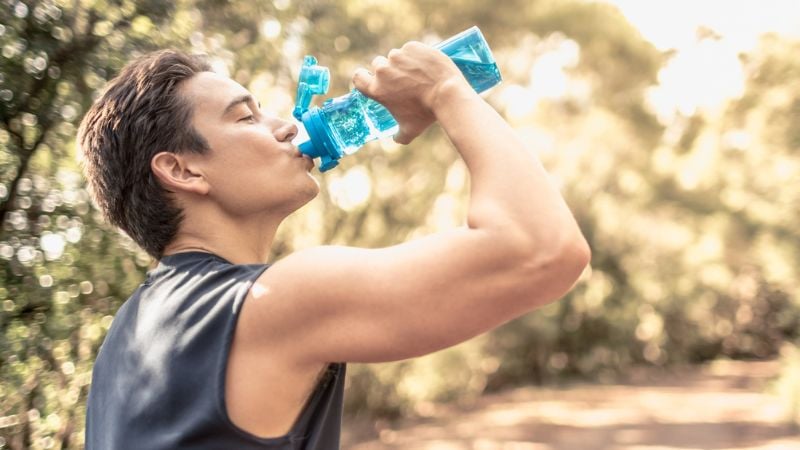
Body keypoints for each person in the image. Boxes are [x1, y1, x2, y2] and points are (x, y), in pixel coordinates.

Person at [78, 40, 591, 449]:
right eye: (246, 118)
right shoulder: (275, 302)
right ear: (182, 169)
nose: (284, 127)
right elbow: (541, 249)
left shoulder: (124, 342)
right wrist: (446, 91)